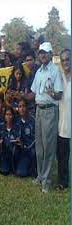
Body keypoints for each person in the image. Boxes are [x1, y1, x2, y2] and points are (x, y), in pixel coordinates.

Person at [29, 42, 63, 193]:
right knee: (40, 147)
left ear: (50, 54)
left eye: (45, 52)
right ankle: (41, 176)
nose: (42, 54)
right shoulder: (39, 72)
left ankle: (47, 181)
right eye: (41, 52)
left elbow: (59, 94)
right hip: (38, 110)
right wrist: (19, 95)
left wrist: (52, 94)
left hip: (50, 111)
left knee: (48, 147)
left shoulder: (55, 71)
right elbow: (33, 93)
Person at [0, 106, 21, 175]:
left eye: (10, 114)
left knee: (19, 172)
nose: (8, 116)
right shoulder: (1, 126)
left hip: (15, 154)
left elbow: (20, 140)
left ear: (13, 116)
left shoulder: (17, 127)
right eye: (7, 114)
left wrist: (19, 141)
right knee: (4, 172)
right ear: (4, 116)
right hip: (4, 155)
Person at [56, 49, 71, 191]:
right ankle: (63, 181)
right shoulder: (59, 77)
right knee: (62, 156)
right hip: (62, 124)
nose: (66, 62)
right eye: (63, 60)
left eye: (68, 59)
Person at [16, 98, 36, 177]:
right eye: (20, 106)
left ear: (27, 107)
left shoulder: (33, 120)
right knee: (19, 172)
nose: (22, 109)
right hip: (21, 152)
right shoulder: (16, 121)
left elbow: (36, 140)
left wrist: (24, 146)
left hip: (31, 152)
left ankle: (33, 166)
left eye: (23, 106)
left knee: (22, 173)